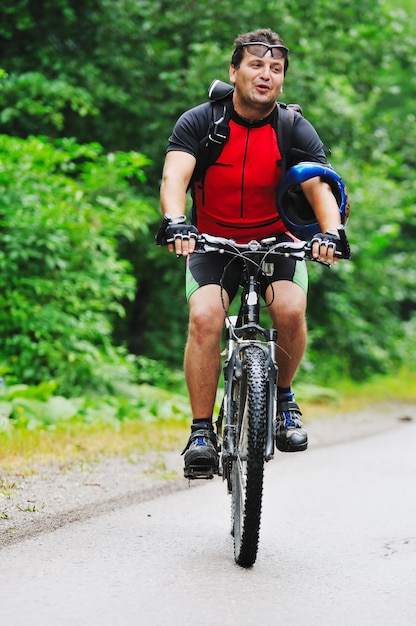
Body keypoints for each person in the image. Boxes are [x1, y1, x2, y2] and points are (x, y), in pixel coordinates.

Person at [158, 28, 349, 479]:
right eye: (256, 65)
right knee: (204, 317)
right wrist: (174, 221)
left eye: (275, 69)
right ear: (235, 70)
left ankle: (284, 399)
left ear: (282, 80)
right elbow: (174, 178)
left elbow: (318, 184)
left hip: (276, 241)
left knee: (290, 308)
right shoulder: (201, 121)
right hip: (213, 241)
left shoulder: (292, 126)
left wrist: (332, 233)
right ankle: (202, 431)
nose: (266, 75)